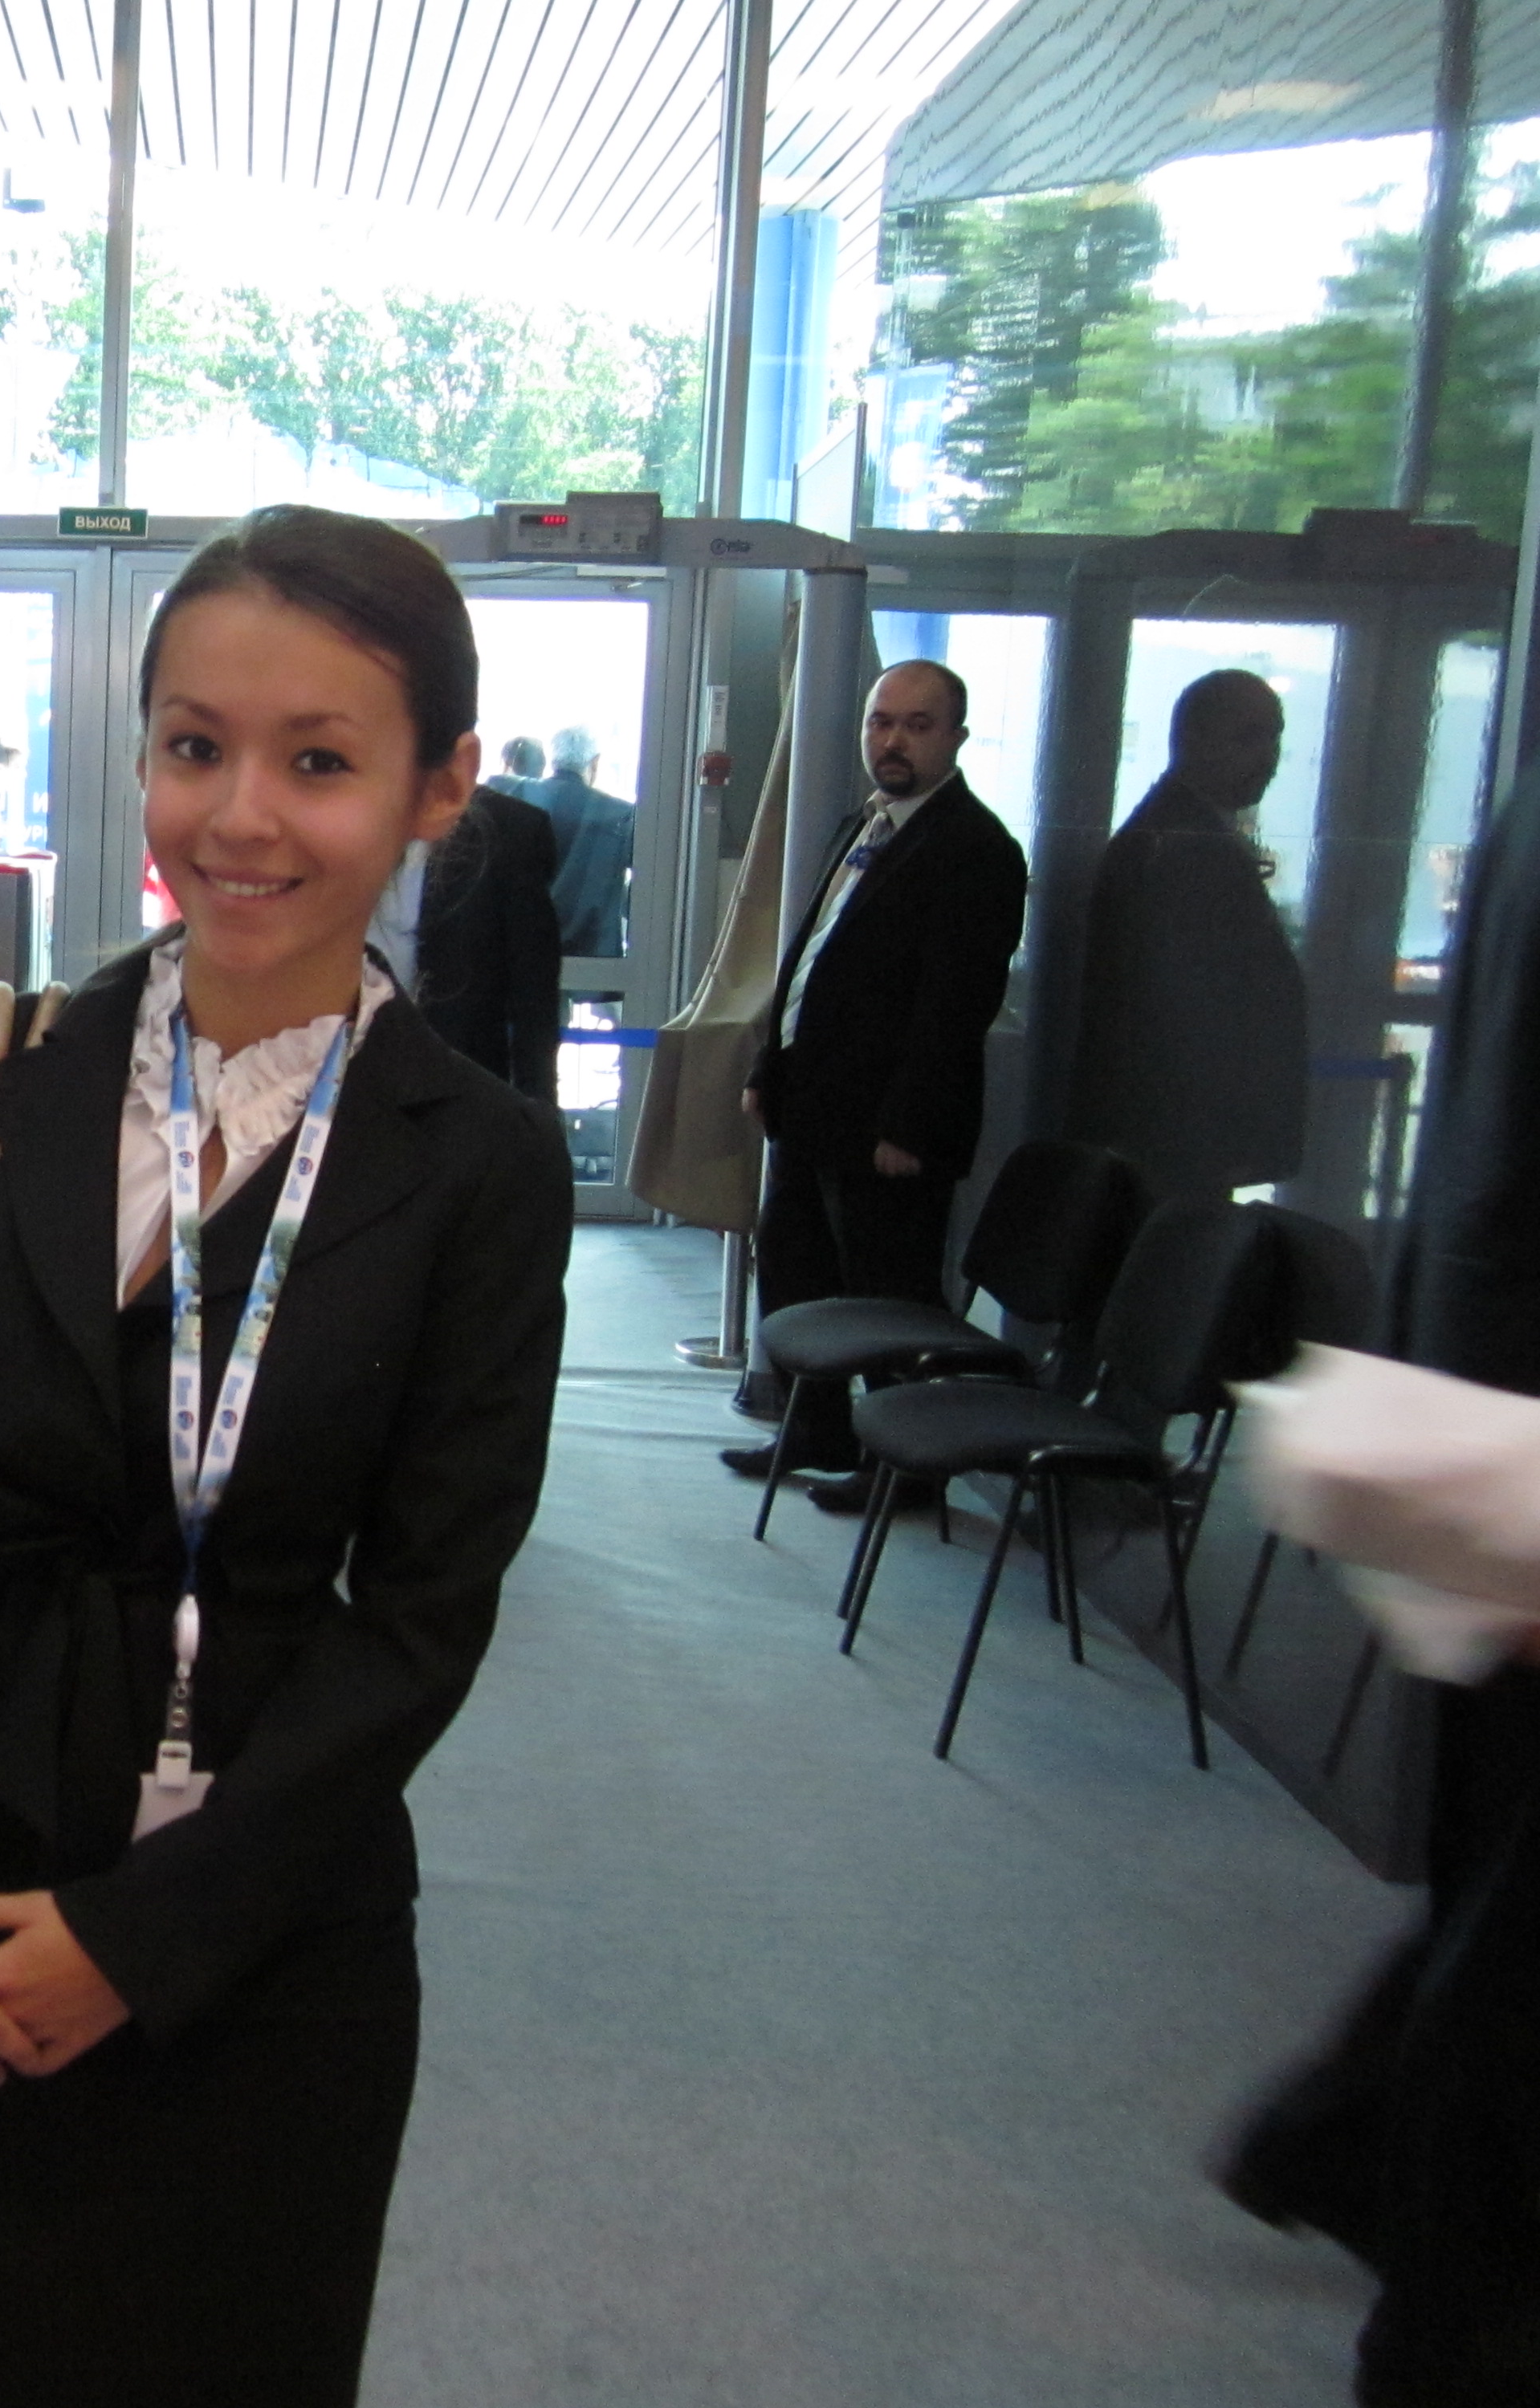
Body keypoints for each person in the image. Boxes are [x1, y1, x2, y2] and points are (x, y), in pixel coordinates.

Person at [0, 503, 573, 2408]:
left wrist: (142, 1938)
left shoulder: (479, 1164)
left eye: (318, 761)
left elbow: (420, 1614)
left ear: (438, 788)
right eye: (194, 746)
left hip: (255, 1927)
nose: (237, 817)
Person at [1219, 775, 1540, 2408]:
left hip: (1487, 1399)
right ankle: (1442, 2312)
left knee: (1505, 1878)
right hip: (1511, 1427)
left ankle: (1344, 2143)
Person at [722, 660, 1026, 1512]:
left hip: (890, 1127)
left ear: (956, 738)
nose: (892, 741)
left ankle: (908, 1469)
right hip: (812, 1108)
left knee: (887, 1295)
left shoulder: (975, 848)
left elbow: (954, 1005)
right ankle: (815, 1429)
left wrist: (909, 1125)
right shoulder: (862, 825)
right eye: (880, 721)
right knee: (797, 1273)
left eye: (917, 726)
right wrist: (768, 1069)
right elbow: (811, 960)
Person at [1073, 669, 1308, 1202]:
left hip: (1172, 1139)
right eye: (1249, 737)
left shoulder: (1178, 836)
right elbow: (1189, 1017)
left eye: (1274, 737)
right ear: (1194, 739)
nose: (1268, 757)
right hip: (1178, 1141)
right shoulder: (1185, 849)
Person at [412, 777, 563, 1102]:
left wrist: (536, 1114)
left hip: (460, 1094)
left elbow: (533, 995)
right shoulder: (328, 819)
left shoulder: (511, 832)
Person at [535, 727, 635, 957]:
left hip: (529, 950)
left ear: (553, 760)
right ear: (595, 763)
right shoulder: (619, 814)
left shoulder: (524, 805)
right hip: (595, 957)